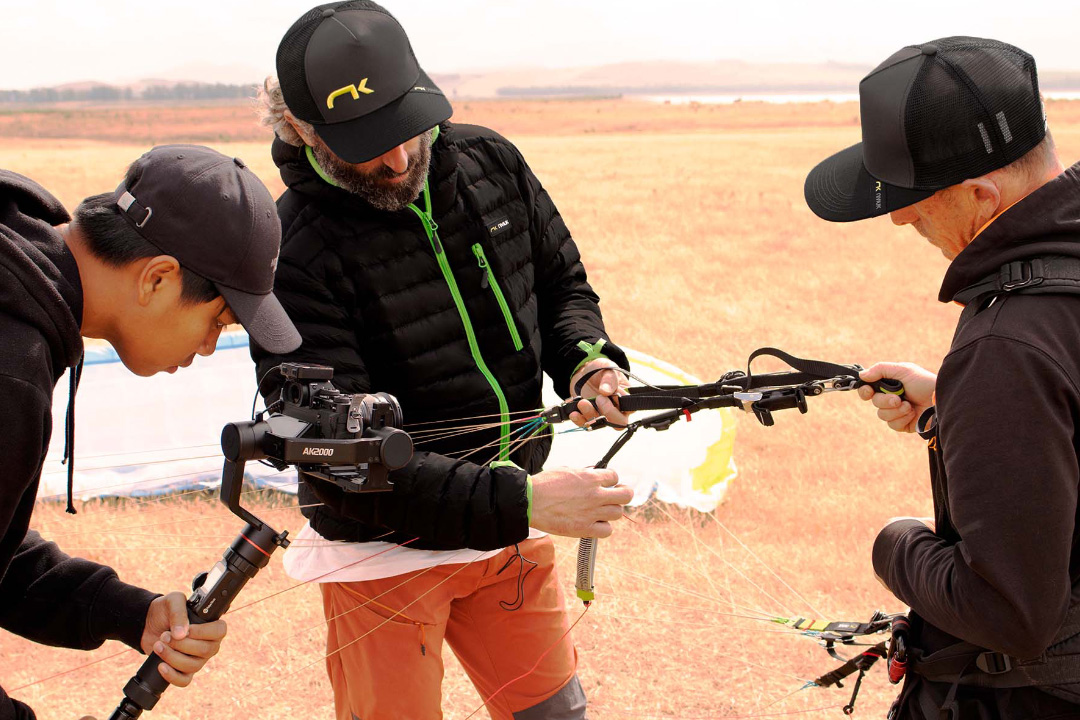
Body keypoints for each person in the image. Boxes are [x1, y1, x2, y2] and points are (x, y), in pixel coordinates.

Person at [252, 2, 635, 718]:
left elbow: (560, 286)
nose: (398, 160)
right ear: (303, 130)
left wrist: (586, 362)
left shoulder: (492, 162)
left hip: (508, 530)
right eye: (367, 144)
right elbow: (341, 456)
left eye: (406, 125)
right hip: (382, 554)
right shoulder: (291, 249)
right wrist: (528, 501)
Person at [805, 37, 1080, 719]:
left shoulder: (1006, 348)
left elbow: (1009, 612)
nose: (900, 216)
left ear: (983, 195)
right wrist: (960, 403)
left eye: (915, 199)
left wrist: (894, 544)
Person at [0, 144, 301, 718]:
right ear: (158, 278)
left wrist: (124, 611)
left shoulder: (20, 282)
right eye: (217, 321)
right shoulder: (10, 367)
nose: (208, 346)